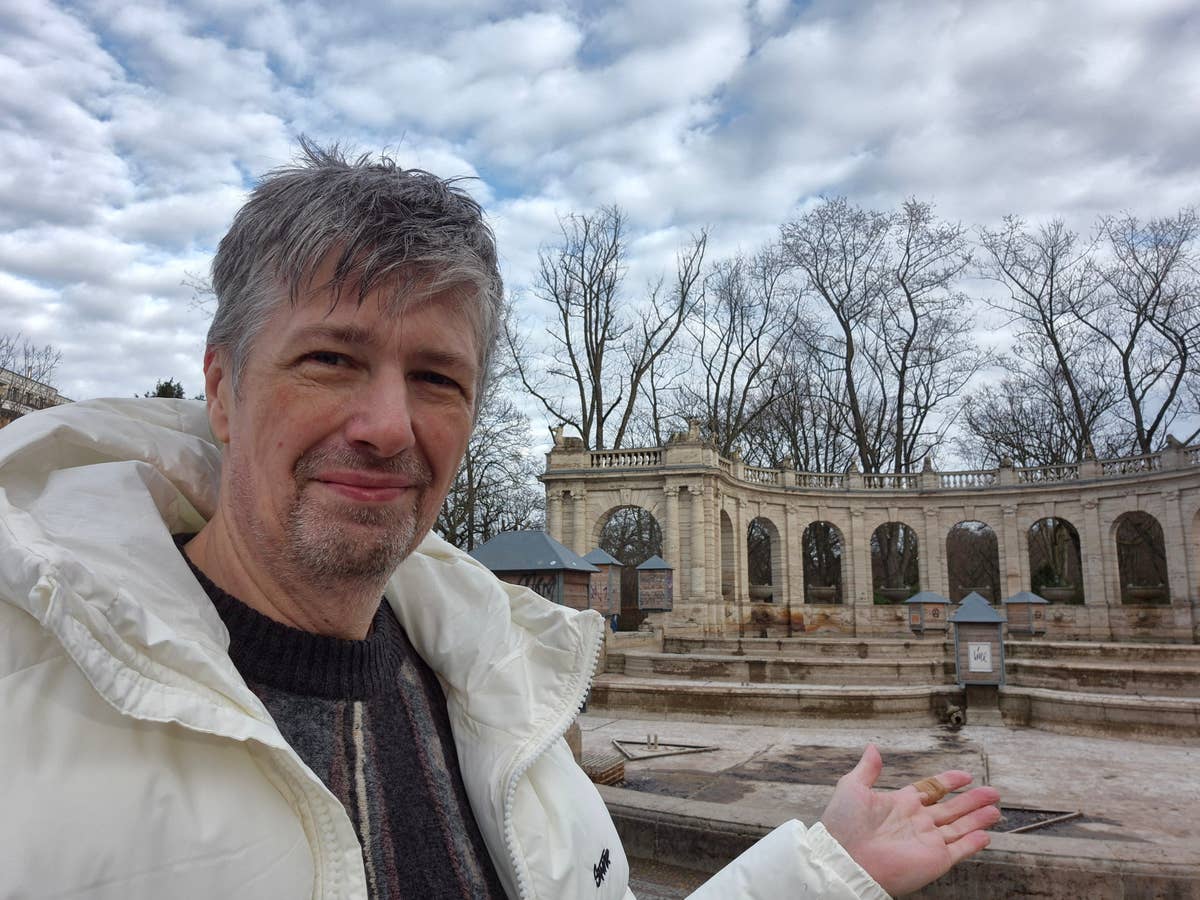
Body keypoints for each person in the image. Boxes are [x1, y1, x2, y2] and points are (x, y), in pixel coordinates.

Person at [0, 142, 1000, 899]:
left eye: (436, 378)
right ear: (222, 389)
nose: (389, 426)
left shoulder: (503, 687)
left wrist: (819, 871)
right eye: (331, 360)